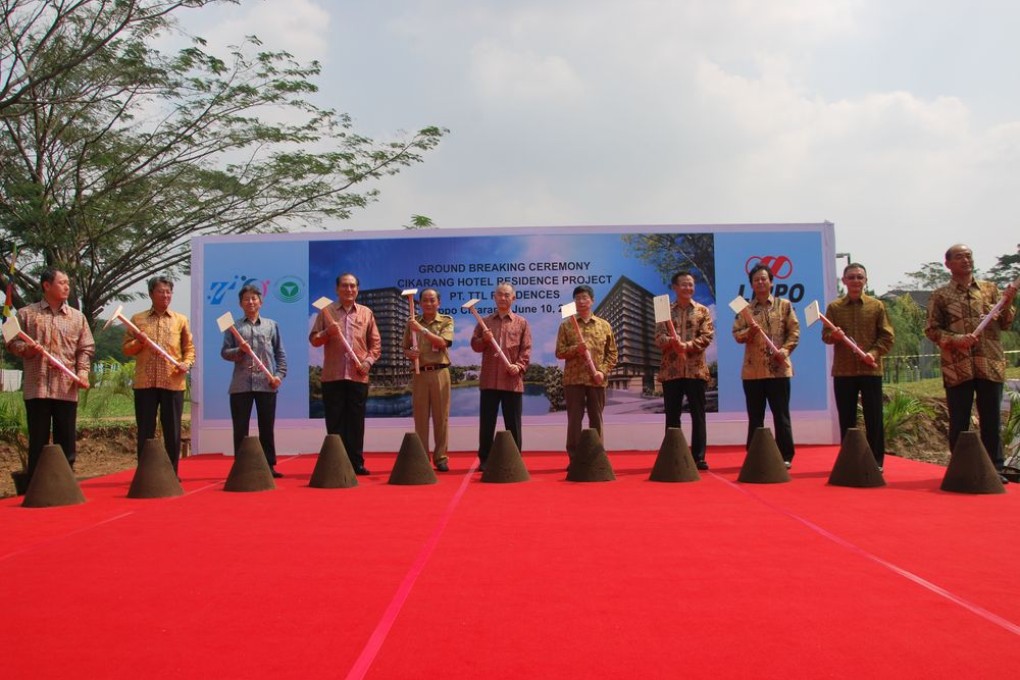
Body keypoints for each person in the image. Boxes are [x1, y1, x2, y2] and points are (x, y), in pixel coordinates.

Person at [925, 243, 1017, 484]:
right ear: (948, 264)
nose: (966, 260)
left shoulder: (990, 290)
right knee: (959, 418)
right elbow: (932, 330)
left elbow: (1006, 323)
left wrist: (1008, 302)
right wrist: (956, 340)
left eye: (968, 256)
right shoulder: (941, 296)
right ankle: (960, 468)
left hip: (989, 362)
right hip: (957, 365)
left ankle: (994, 468)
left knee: (991, 418)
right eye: (959, 257)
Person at [6, 269, 94, 481]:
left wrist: (82, 372)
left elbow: (86, 348)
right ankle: (38, 485)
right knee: (38, 440)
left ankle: (65, 484)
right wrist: (26, 349)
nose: (67, 287)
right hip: (37, 388)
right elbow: (10, 341)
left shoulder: (77, 317)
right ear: (47, 285)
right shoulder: (26, 314)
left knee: (66, 439)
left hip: (66, 387)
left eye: (68, 283)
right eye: (62, 283)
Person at [822, 263, 895, 469]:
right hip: (843, 371)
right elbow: (825, 337)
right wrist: (833, 336)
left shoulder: (877, 306)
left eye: (859, 277)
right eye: (851, 277)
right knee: (847, 418)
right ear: (844, 281)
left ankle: (876, 462)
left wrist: (873, 353)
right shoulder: (834, 308)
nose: (855, 281)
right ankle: (850, 460)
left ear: (865, 280)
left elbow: (887, 336)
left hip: (870, 369)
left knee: (874, 417)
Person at [309, 272, 381, 475]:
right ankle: (336, 462)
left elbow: (375, 345)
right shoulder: (326, 311)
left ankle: (356, 463)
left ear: (357, 289)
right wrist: (326, 333)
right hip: (333, 376)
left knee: (356, 422)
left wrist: (367, 362)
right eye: (345, 286)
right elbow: (314, 340)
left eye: (353, 286)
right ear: (337, 289)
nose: (349, 290)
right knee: (335, 421)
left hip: (358, 376)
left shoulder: (366, 313)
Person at [123, 276, 195, 474]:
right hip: (145, 383)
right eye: (161, 291)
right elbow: (127, 349)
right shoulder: (138, 319)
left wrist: (186, 363)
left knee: (172, 429)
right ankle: (145, 472)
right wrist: (139, 342)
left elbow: (189, 349)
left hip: (172, 382)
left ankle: (172, 472)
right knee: (146, 429)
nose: (165, 295)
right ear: (151, 294)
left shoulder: (180, 320)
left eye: (168, 292)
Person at [732, 263, 800, 467]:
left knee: (781, 415)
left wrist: (785, 350)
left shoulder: (784, 305)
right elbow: (736, 334)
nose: (760, 282)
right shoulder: (744, 309)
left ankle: (785, 457)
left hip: (779, 370)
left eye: (764, 279)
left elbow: (794, 332)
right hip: (753, 372)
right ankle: (755, 455)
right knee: (755, 417)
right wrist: (749, 332)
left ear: (771, 282)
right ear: (751, 284)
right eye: (756, 280)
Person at [221, 284, 288, 478]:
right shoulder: (233, 327)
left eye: (254, 298)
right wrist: (239, 351)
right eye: (246, 299)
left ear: (261, 301)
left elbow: (280, 354)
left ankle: (269, 465)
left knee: (266, 427)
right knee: (240, 427)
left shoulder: (271, 325)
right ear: (240, 303)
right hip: (240, 385)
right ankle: (241, 465)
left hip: (266, 383)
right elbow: (225, 353)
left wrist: (279, 375)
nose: (250, 302)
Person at [655, 271, 715, 470]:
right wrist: (671, 341)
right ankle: (673, 455)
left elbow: (707, 336)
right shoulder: (664, 311)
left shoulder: (702, 311)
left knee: (698, 415)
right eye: (683, 284)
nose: (688, 288)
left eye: (690, 284)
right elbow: (658, 339)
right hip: (671, 371)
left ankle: (698, 457)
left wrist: (687, 345)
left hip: (695, 371)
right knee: (672, 416)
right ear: (674, 287)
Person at [470, 282, 533, 471]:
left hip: (511, 380)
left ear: (513, 298)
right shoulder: (485, 322)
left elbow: (526, 349)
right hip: (489, 380)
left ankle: (514, 458)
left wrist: (519, 366)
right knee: (487, 423)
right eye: (499, 295)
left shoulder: (522, 323)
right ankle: (485, 459)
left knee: (513, 423)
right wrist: (484, 340)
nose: (503, 298)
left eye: (507, 295)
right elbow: (475, 345)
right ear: (494, 298)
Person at [555, 284, 618, 464]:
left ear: (592, 301)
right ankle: (574, 459)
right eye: (578, 298)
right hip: (574, 380)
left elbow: (612, 353)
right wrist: (576, 349)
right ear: (574, 302)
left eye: (585, 298)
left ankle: (596, 457)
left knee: (596, 419)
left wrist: (602, 371)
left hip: (596, 380)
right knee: (574, 421)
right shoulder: (567, 326)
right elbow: (559, 352)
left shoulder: (604, 326)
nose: (581, 301)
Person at [402, 288, 454, 471]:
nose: (429, 303)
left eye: (432, 300)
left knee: (441, 418)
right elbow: (405, 348)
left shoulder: (446, 320)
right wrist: (411, 353)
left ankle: (441, 458)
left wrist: (422, 330)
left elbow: (442, 343)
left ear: (438, 302)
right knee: (420, 418)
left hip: (440, 373)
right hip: (419, 374)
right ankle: (423, 457)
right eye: (425, 300)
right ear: (420, 303)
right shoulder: (412, 323)